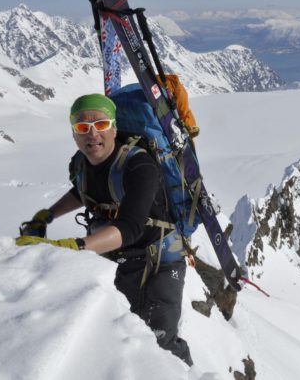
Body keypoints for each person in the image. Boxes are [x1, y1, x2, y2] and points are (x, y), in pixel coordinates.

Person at [16, 93, 192, 366]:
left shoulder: (139, 166)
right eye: (82, 127)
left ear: (114, 127)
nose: (92, 134)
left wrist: (74, 246)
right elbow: (83, 191)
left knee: (161, 344)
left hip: (160, 262)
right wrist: (46, 215)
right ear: (74, 134)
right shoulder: (82, 165)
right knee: (118, 335)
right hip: (118, 257)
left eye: (100, 125)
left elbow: (131, 227)